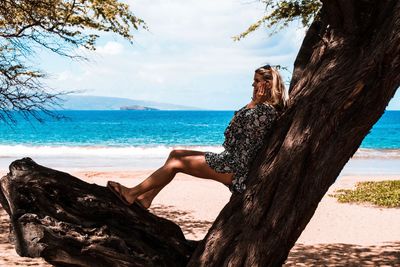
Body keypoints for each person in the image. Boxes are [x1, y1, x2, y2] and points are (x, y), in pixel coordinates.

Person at [107, 65, 288, 209]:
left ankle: (132, 193)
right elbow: (231, 134)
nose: (253, 86)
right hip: (231, 159)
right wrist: (253, 103)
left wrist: (254, 103)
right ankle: (147, 198)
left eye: (256, 82)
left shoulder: (265, 112)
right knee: (175, 153)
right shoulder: (258, 109)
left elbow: (232, 136)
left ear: (268, 85)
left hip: (236, 168)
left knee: (176, 164)